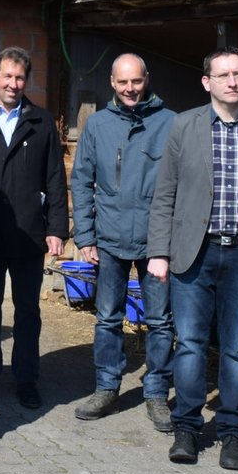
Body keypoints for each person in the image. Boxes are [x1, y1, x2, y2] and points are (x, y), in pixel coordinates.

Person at [147, 47, 238, 469]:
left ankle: (233, 431)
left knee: (237, 347)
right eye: (223, 75)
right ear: (207, 82)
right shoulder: (184, 126)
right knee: (189, 344)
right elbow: (164, 192)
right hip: (194, 251)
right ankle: (187, 428)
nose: (232, 82)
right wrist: (159, 252)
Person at [69, 53, 176, 429]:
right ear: (112, 83)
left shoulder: (170, 123)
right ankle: (106, 387)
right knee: (107, 319)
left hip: (156, 239)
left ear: (147, 79)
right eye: (123, 82)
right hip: (109, 237)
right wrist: (85, 235)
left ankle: (157, 393)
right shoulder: (98, 125)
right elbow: (81, 181)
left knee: (160, 321)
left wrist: (172, 240)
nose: (130, 89)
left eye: (136, 81)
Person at [0, 47, 68, 410]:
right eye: (7, 76)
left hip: (28, 233)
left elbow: (55, 177)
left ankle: (26, 378)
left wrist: (56, 227)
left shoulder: (41, 122)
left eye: (20, 77)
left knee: (28, 310)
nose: (13, 84)